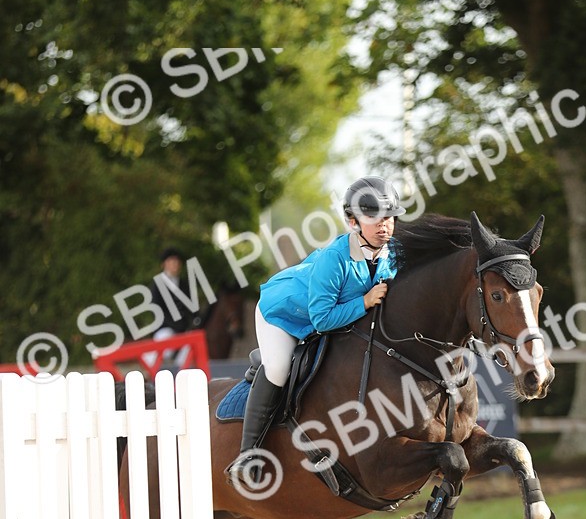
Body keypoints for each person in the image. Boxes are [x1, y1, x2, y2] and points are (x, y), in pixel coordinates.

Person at [226, 176, 405, 487]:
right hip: (283, 314)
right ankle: (248, 455)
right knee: (279, 369)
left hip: (322, 316)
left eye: (389, 218)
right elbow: (321, 320)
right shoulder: (335, 259)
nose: (384, 226)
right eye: (373, 218)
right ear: (352, 221)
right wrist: (364, 302)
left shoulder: (393, 254)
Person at [146, 249, 196, 368]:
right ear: (164, 264)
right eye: (171, 261)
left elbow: (190, 307)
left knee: (189, 351)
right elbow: (157, 308)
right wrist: (174, 326)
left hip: (183, 330)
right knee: (164, 346)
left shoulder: (184, 284)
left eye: (177, 262)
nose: (175, 264)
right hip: (165, 328)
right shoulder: (158, 284)